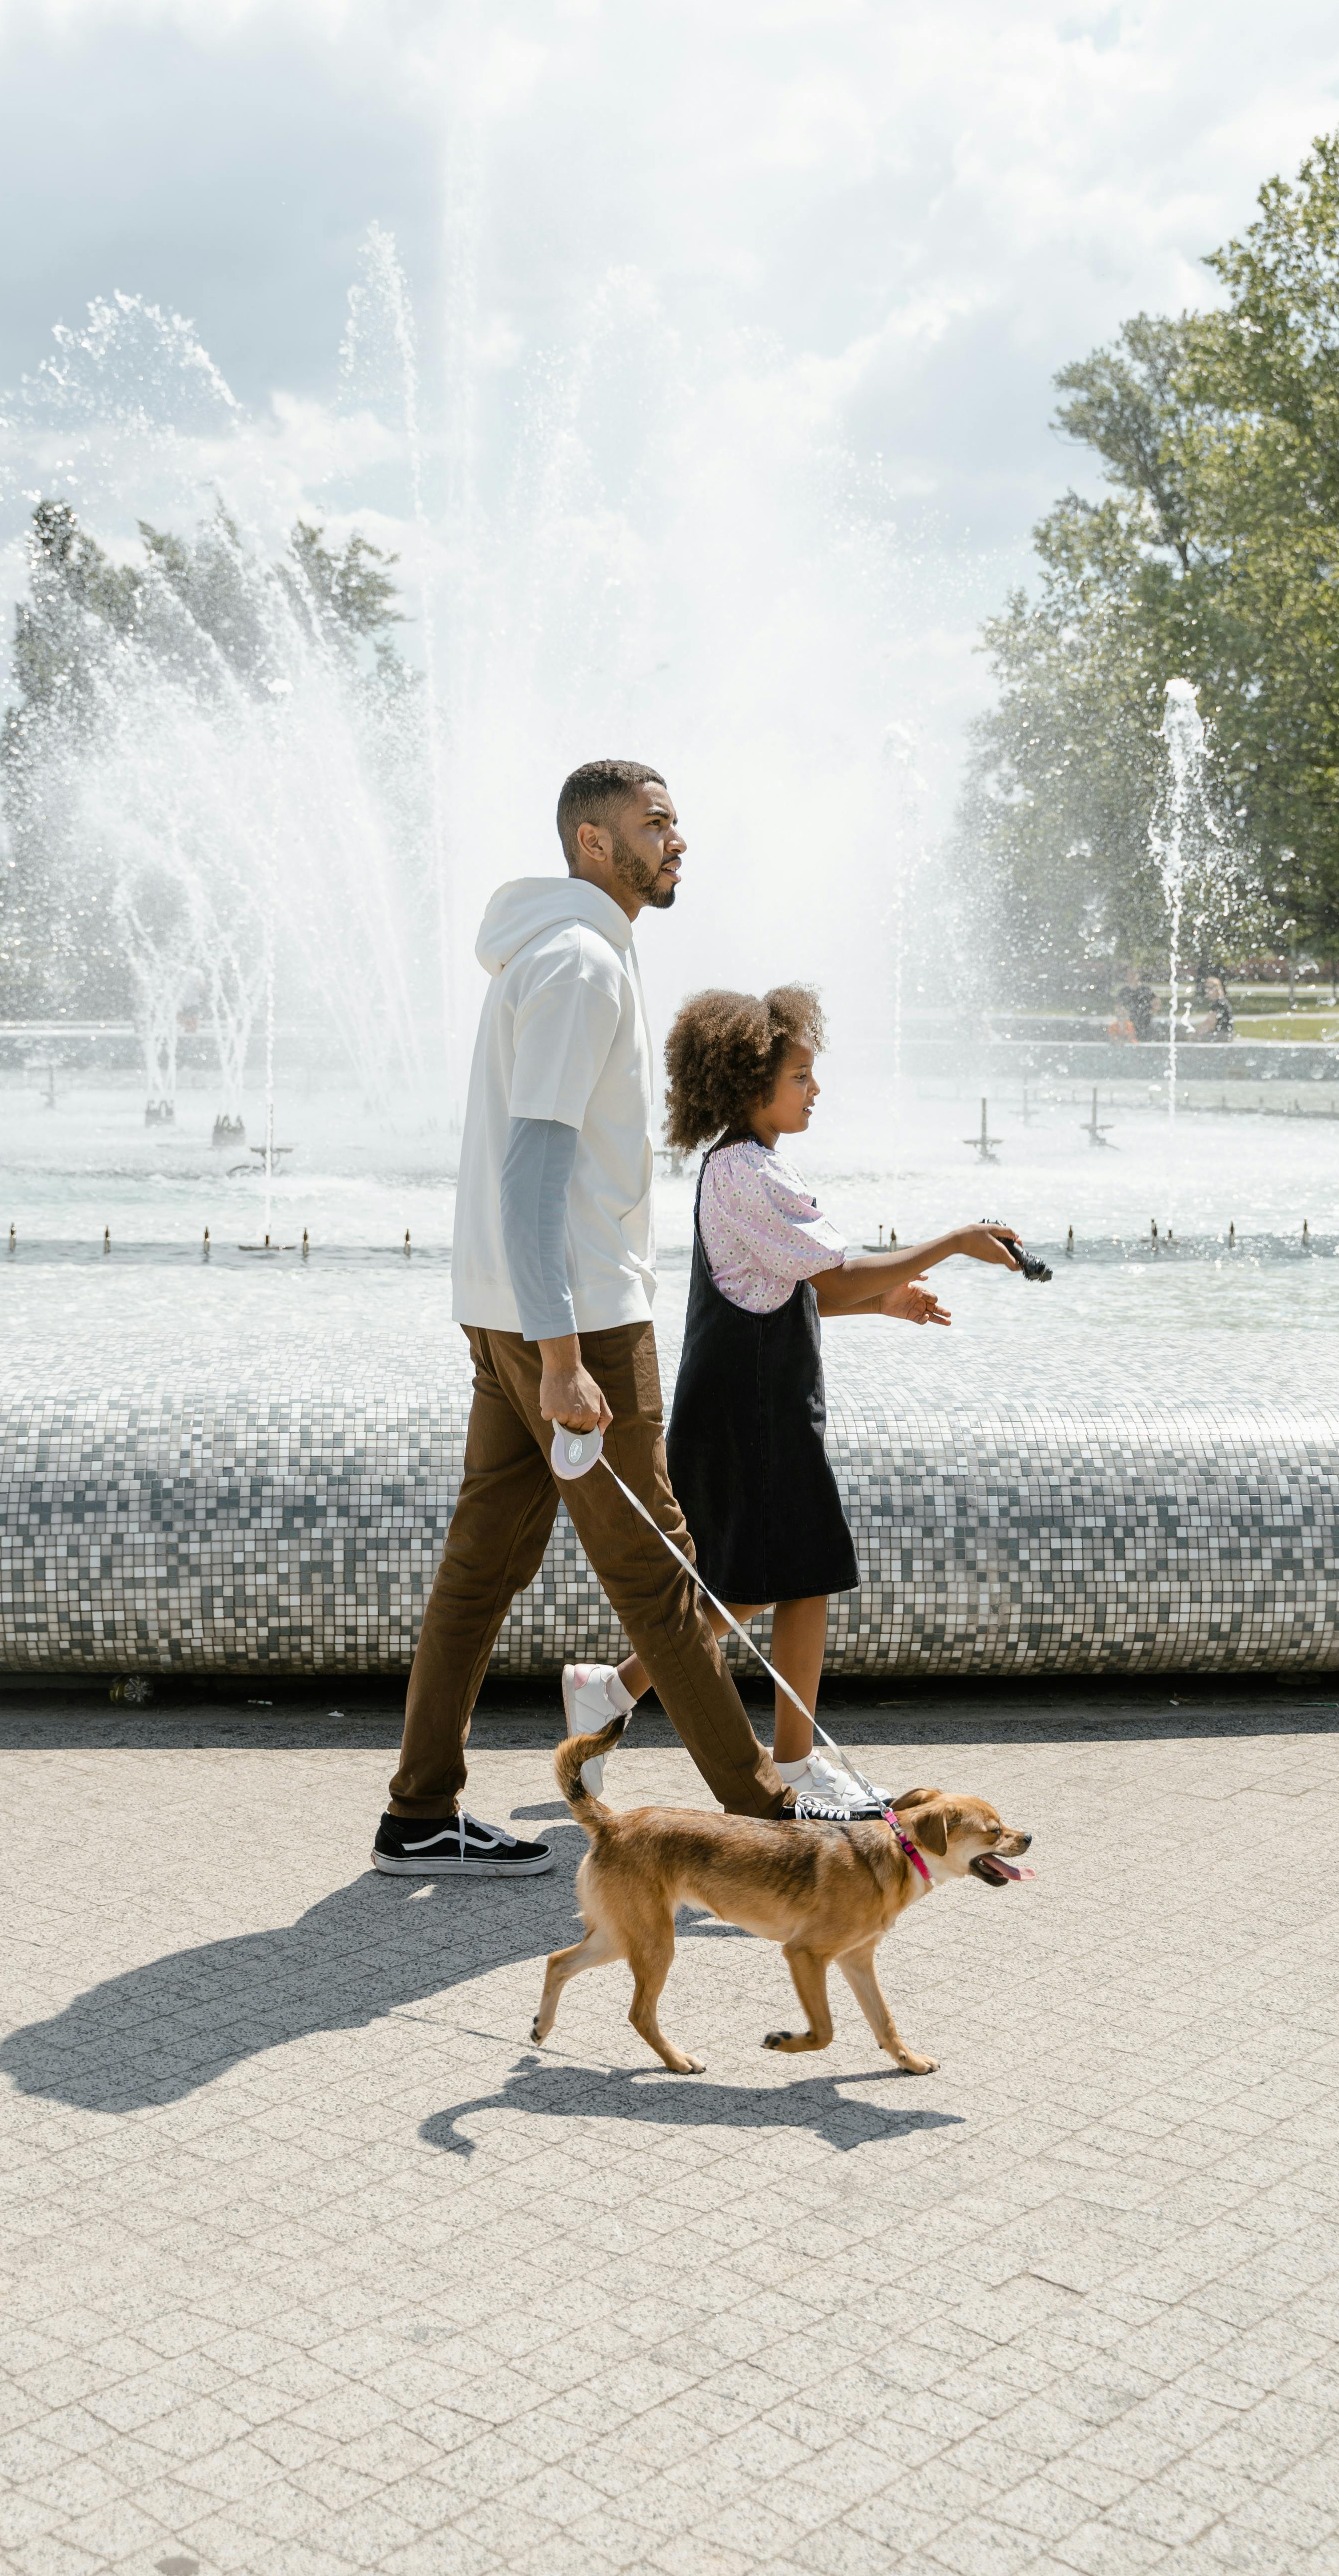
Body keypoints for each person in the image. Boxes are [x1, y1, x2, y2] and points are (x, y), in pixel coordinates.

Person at [373, 762, 847, 1879]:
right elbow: (533, 1171)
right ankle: (770, 1833)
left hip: (514, 1315)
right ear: (592, 844)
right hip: (573, 1326)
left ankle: (418, 1812)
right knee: (659, 1578)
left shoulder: (564, 953)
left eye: (677, 819)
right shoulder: (581, 964)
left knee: (478, 1571)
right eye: (653, 824)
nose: (676, 839)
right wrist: (563, 1360)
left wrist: (533, 1342)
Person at [559, 985, 1037, 1810]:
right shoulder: (746, 1171)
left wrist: (884, 1301)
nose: (815, 1090)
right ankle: (790, 1766)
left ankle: (618, 1691)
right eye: (801, 1076)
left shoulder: (751, 1166)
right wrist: (956, 1242)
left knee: (765, 1580)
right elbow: (832, 1274)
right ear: (751, 1083)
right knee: (799, 1573)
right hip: (755, 1414)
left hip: (752, 1406)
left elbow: (799, 1286)